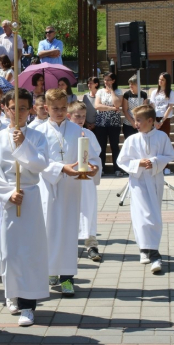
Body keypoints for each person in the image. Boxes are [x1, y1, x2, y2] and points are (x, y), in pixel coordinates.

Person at [0, 88, 49, 326]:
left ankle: (28, 304)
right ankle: (11, 293)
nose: (18, 113)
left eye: (23, 108)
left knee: (30, 252)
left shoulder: (37, 137)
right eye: (14, 108)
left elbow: (40, 164)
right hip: (8, 199)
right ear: (5, 108)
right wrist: (7, 193)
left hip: (30, 196)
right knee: (10, 251)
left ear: (30, 110)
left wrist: (24, 145)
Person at [36, 89, 100, 296]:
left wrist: (94, 168)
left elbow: (92, 156)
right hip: (48, 188)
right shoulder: (37, 131)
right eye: (55, 108)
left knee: (69, 232)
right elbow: (37, 162)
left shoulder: (78, 131)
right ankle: (49, 271)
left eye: (63, 108)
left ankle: (66, 277)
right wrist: (61, 168)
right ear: (46, 108)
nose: (60, 112)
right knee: (48, 231)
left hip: (72, 188)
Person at [116, 105, 174, 274]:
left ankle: (151, 249)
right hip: (138, 182)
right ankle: (149, 251)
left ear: (150, 121)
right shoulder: (132, 140)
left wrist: (155, 162)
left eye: (139, 120)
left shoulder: (162, 136)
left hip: (155, 180)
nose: (135, 123)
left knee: (154, 216)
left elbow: (170, 155)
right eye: (135, 120)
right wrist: (137, 163)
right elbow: (122, 161)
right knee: (141, 216)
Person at [67, 101, 102, 261]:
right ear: (69, 116)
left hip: (86, 178)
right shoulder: (66, 134)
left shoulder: (89, 134)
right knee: (69, 212)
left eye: (83, 116)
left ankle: (91, 244)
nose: (81, 119)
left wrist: (93, 166)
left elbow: (96, 155)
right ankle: (68, 246)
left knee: (89, 209)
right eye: (77, 116)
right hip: (70, 177)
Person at [94, 72, 123, 176]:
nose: (106, 82)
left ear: (113, 80)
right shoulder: (100, 92)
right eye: (105, 80)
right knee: (101, 146)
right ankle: (101, 168)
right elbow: (97, 106)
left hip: (114, 123)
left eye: (108, 80)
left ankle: (117, 168)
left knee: (114, 146)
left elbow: (118, 104)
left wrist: (112, 91)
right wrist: (111, 108)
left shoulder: (118, 91)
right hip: (101, 123)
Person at [150, 72, 174, 175]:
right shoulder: (154, 92)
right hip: (154, 119)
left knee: (164, 142)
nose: (160, 81)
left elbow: (169, 107)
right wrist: (154, 120)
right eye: (159, 79)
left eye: (162, 80)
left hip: (165, 119)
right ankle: (155, 165)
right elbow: (152, 105)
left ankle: (166, 166)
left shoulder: (171, 92)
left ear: (167, 81)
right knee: (154, 142)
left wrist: (161, 121)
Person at [122, 74, 148, 139]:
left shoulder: (143, 95)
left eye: (132, 84)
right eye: (129, 84)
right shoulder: (127, 94)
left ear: (137, 85)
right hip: (128, 124)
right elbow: (125, 110)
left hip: (140, 124)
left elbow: (144, 110)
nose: (130, 86)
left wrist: (138, 122)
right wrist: (132, 122)